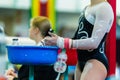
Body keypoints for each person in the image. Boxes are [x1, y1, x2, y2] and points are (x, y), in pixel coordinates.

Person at [44, 0, 114, 80]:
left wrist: (62, 42)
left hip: (95, 60)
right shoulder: (86, 8)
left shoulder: (104, 8)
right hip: (80, 61)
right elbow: (76, 38)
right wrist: (56, 41)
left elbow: (94, 42)